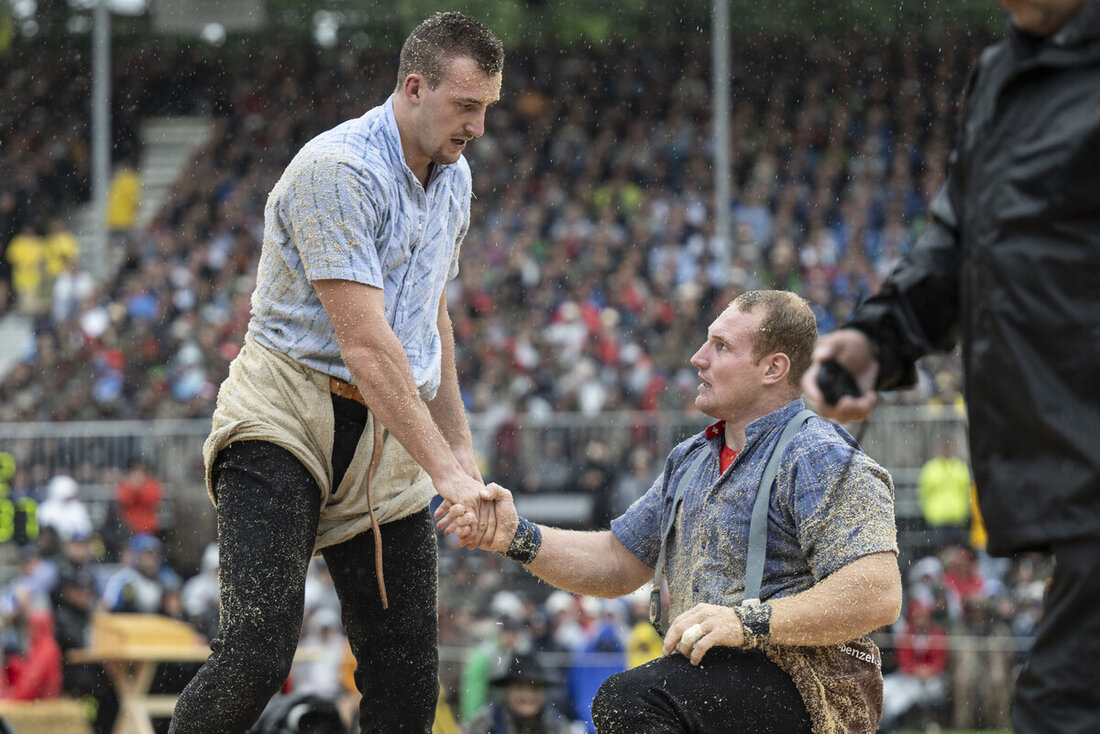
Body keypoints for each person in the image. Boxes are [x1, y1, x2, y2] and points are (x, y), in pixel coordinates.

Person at [168, 12, 504, 733]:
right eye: (466, 105)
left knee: (410, 677)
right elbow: (367, 345)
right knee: (257, 651)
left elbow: (428, 323)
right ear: (415, 87)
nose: (477, 126)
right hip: (286, 413)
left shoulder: (456, 178)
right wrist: (443, 469)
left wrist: (465, 463)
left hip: (388, 430)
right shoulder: (337, 169)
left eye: (486, 109)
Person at [802, 2, 1100, 730]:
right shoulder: (1006, 73)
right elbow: (964, 235)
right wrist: (881, 338)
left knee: (1065, 706)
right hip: (1071, 464)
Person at [443, 291, 902, 733]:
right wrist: (514, 536)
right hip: (715, 681)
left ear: (773, 368)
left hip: (813, 689)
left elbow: (878, 592)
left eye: (720, 346)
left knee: (631, 701)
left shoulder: (821, 455)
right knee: (641, 696)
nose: (697, 357)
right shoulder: (691, 459)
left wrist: (745, 622)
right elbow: (618, 563)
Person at [463, 653, 574, 734]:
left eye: (535, 688)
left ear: (543, 692)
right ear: (507, 690)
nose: (527, 695)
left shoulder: (557, 725)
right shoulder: (486, 721)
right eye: (520, 688)